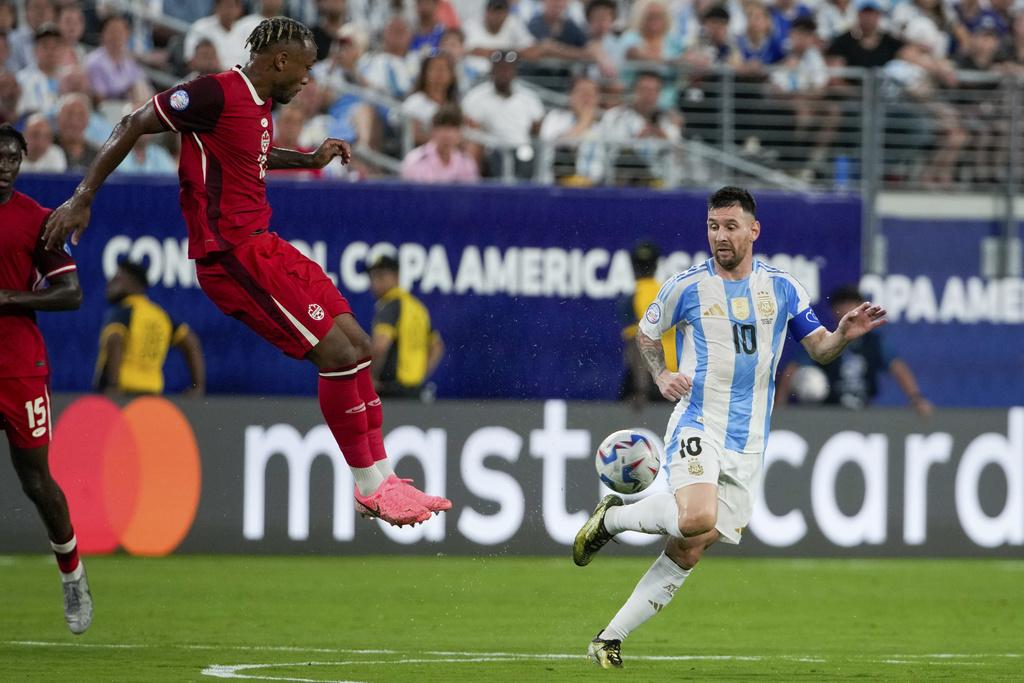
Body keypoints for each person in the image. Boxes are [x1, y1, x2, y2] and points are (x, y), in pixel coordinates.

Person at [43, 17, 452, 526]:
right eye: (305, 68)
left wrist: (308, 159)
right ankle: (369, 488)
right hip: (230, 255)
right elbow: (132, 123)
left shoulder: (257, 106)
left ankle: (385, 479)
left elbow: (249, 154)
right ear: (280, 60)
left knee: (359, 345)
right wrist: (82, 197)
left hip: (263, 242)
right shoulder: (213, 93)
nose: (308, 80)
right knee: (338, 355)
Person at [573, 186, 888, 668]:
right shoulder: (686, 286)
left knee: (690, 549)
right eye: (713, 227)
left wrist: (843, 333)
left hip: (750, 441)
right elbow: (648, 336)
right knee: (696, 517)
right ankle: (614, 518)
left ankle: (608, 639)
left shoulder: (782, 288)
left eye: (730, 226)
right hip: (699, 421)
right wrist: (661, 376)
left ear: (753, 230)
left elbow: (820, 348)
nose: (720, 236)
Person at [0, 122, 92, 634]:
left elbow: (71, 293)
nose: (5, 168)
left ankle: (72, 574)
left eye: (13, 159)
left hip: (19, 368)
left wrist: (11, 298)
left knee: (35, 481)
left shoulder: (38, 220)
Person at [776, 284, 934, 416]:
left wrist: (916, 398)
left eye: (852, 303)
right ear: (834, 310)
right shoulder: (823, 338)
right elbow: (793, 368)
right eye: (842, 304)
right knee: (812, 381)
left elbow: (898, 367)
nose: (847, 308)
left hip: (863, 412)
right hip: (827, 412)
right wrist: (779, 406)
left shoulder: (874, 342)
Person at [94, 259, 205, 396]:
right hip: (152, 395)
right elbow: (191, 342)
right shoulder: (161, 316)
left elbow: (114, 340)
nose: (109, 284)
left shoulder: (121, 312)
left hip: (122, 393)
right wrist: (198, 387)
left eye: (117, 279)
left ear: (133, 283)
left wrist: (113, 385)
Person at [367, 254, 445, 398]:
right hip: (415, 391)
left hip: (390, 390)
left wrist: (370, 377)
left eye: (381, 277)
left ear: (396, 278)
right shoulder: (417, 307)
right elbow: (437, 346)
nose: (375, 283)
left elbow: (380, 346)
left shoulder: (390, 305)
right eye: (372, 278)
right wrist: (420, 375)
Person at [617, 240, 676, 406]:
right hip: (678, 380)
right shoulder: (669, 295)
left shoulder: (630, 300)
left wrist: (640, 391)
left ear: (632, 266)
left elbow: (637, 347)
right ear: (657, 265)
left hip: (652, 382)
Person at [400, 103, 479, 182]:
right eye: (443, 127)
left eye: (453, 128)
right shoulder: (414, 160)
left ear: (460, 133)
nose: (448, 134)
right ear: (433, 130)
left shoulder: (466, 162)